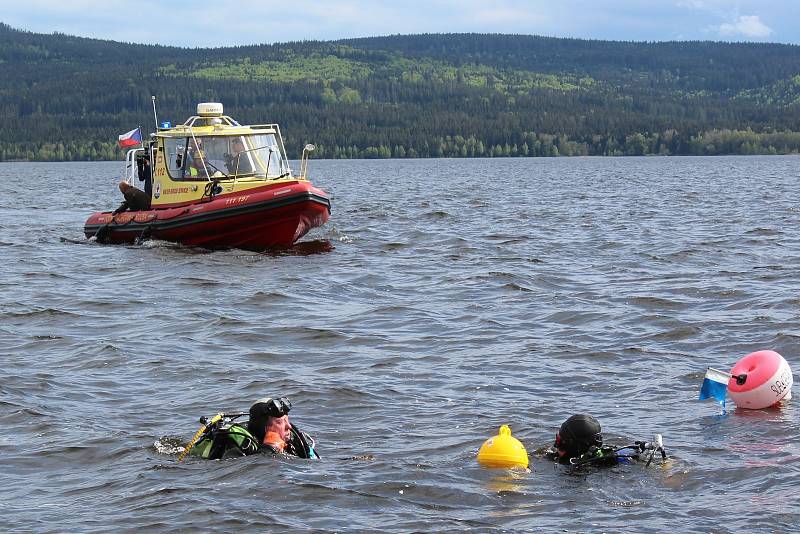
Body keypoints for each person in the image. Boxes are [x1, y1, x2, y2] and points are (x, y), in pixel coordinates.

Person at [185, 396, 319, 460]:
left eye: (287, 420)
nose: (289, 426)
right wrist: (269, 448)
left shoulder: (292, 439)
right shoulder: (235, 445)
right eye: (281, 422)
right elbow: (235, 470)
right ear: (265, 427)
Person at [545, 414, 666, 467]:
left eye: (561, 442)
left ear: (576, 446)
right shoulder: (610, 455)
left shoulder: (573, 465)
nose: (556, 446)